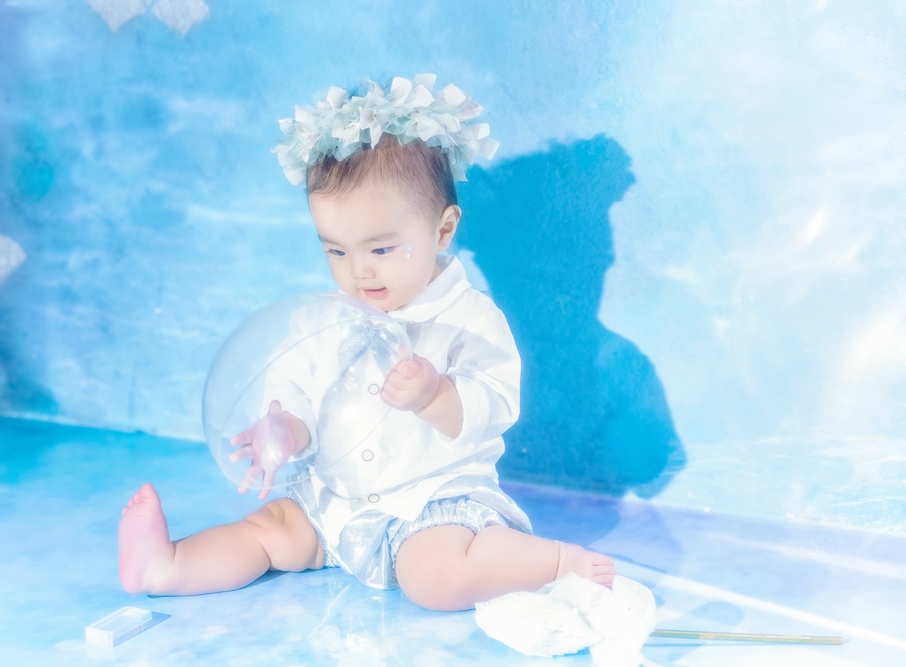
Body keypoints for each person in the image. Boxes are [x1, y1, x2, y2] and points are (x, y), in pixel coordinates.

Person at [118, 75, 615, 612]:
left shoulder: (468, 319)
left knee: (435, 578)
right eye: (335, 251)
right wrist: (284, 429)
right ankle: (167, 564)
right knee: (268, 530)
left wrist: (437, 395)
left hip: (429, 502)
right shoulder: (319, 320)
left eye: (380, 249)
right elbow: (295, 392)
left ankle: (555, 563)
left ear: (442, 231)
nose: (358, 271)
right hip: (335, 500)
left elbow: (495, 402)